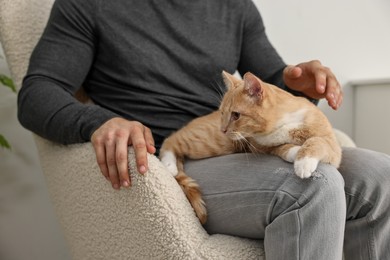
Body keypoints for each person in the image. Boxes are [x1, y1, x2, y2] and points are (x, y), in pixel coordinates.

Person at [17, 0, 390, 259]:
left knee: (379, 175)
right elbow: (37, 93)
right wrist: (100, 122)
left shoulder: (234, 7)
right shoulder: (88, 5)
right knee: (313, 186)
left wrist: (300, 84)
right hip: (172, 160)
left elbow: (271, 83)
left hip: (242, 141)